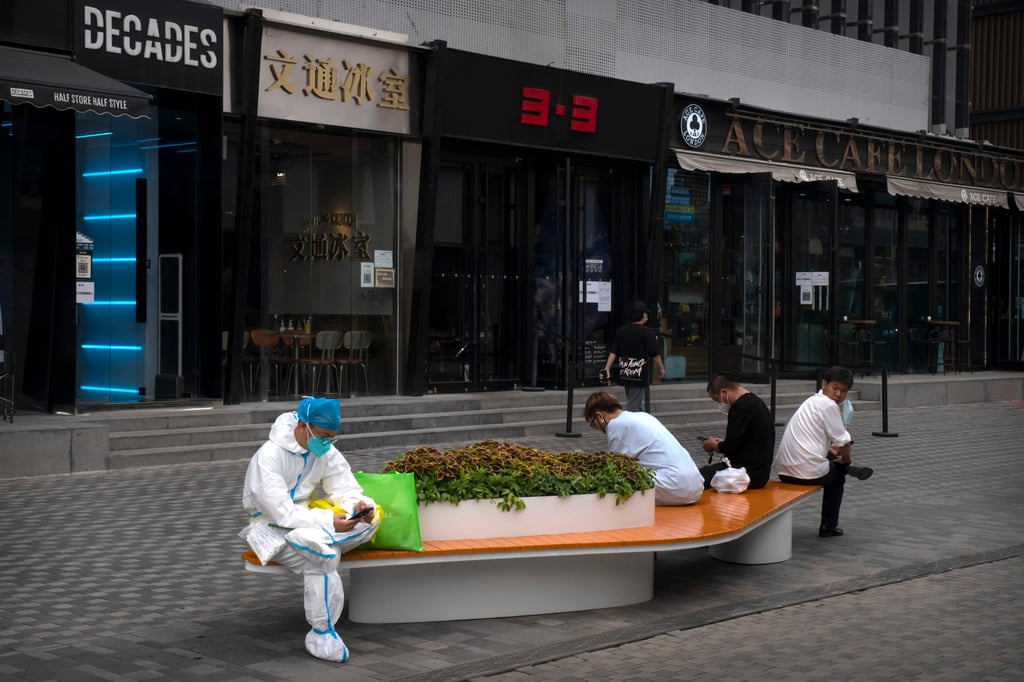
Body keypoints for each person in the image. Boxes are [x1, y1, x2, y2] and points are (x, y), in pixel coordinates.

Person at [241, 397, 380, 663]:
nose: (328, 443)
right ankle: (321, 633)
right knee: (325, 556)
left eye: (332, 438)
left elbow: (345, 487)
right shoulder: (268, 456)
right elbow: (280, 512)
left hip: (312, 524)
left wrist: (357, 508)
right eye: (325, 437)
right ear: (304, 426)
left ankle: (318, 539)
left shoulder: (323, 450)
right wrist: (329, 522)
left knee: (369, 521)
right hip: (268, 530)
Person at [774, 367, 874, 538]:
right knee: (838, 476)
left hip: (783, 471)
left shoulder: (812, 401)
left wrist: (831, 450)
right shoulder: (828, 405)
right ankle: (829, 526)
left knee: (831, 454)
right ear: (824, 384)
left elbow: (812, 436)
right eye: (835, 388)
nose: (838, 394)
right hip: (803, 473)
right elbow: (844, 442)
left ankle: (841, 464)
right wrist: (846, 460)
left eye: (843, 391)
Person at [584, 390, 704, 505]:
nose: (598, 429)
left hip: (673, 487)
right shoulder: (643, 416)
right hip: (696, 485)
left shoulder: (616, 424)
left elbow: (615, 467)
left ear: (599, 416)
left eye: (594, 425)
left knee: (619, 481)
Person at [699, 373, 774, 490]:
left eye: (717, 400)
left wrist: (713, 445)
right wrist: (722, 443)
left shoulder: (740, 407)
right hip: (760, 473)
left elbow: (730, 447)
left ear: (724, 393)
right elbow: (744, 440)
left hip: (745, 474)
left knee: (698, 477)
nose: (719, 404)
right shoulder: (756, 402)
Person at [600, 301, 665, 412]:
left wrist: (607, 368)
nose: (647, 315)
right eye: (645, 313)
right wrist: (661, 368)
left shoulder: (621, 331)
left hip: (625, 371)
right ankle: (632, 426)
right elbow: (654, 353)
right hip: (639, 373)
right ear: (643, 315)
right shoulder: (647, 332)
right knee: (633, 406)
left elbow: (614, 351)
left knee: (633, 401)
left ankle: (641, 425)